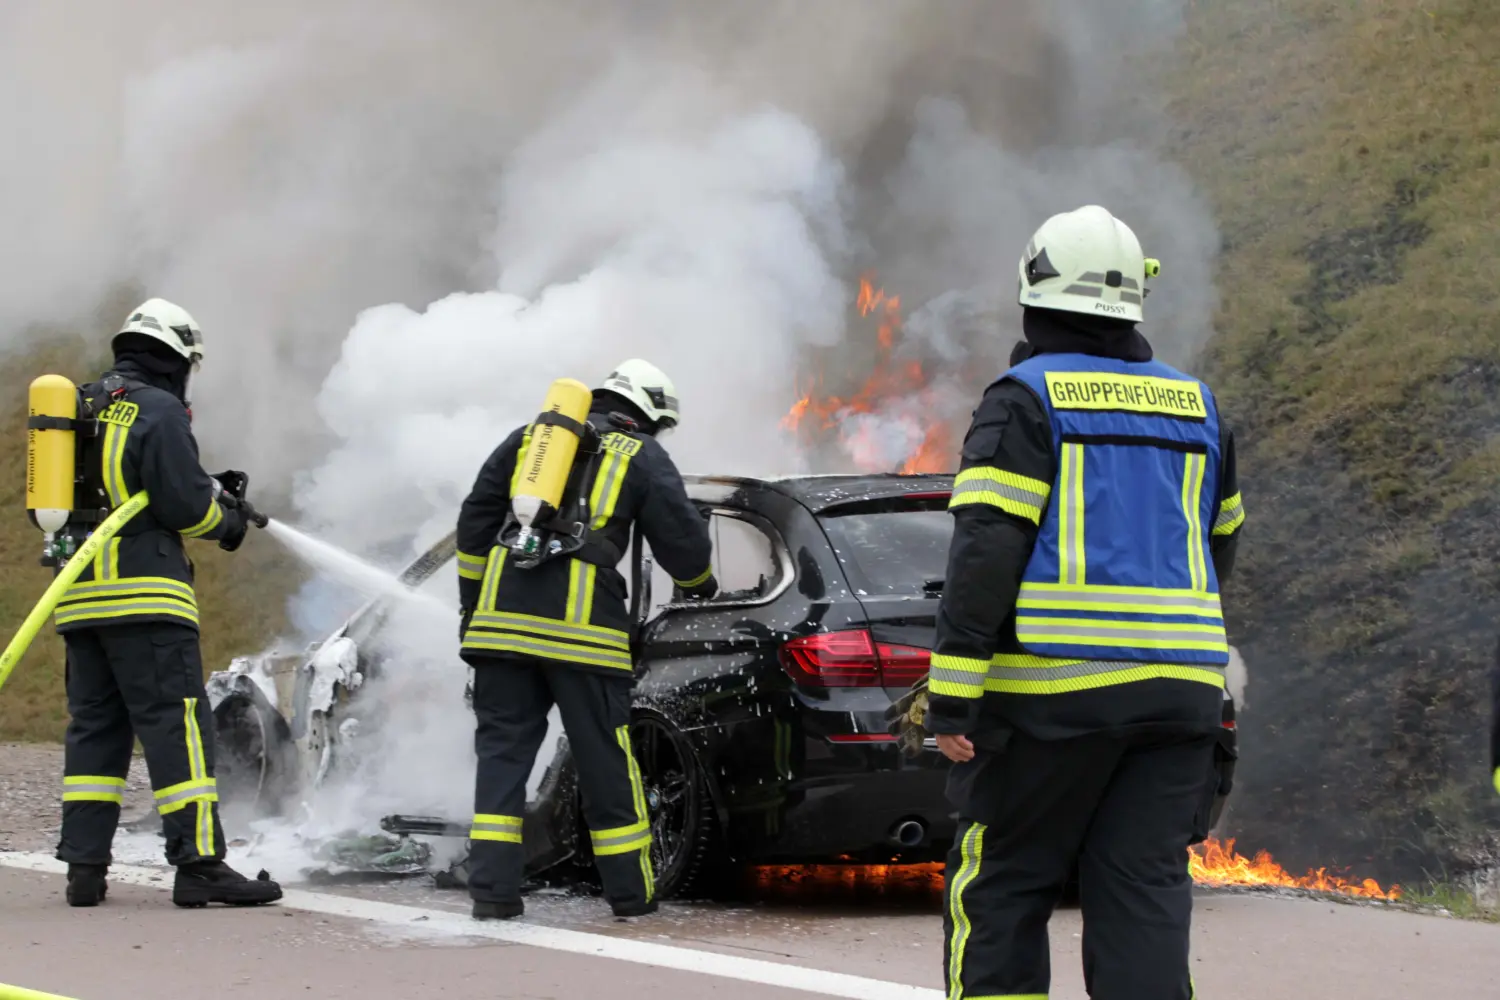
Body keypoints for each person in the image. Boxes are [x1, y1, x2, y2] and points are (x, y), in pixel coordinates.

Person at [924, 206, 1244, 999]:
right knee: (1143, 901)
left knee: (1001, 888)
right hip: (1182, 702)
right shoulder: (1199, 407)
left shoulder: (1024, 399)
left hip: (1049, 706)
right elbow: (1221, 543)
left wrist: (955, 694)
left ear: (1032, 291)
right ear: (1137, 298)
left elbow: (987, 549)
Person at [456, 358, 716, 920]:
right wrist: (700, 585)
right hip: (583, 638)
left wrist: (471, 609)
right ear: (649, 414)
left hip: (500, 628)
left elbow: (475, 527)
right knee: (605, 760)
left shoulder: (527, 442)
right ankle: (630, 894)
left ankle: (493, 894)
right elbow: (685, 546)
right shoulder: (641, 455)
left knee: (501, 759)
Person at [55, 298, 283, 909]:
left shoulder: (77, 404)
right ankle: (200, 863)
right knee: (178, 728)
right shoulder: (158, 410)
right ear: (176, 357)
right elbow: (185, 505)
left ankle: (83, 868)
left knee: (96, 732)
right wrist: (229, 521)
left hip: (79, 599)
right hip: (147, 600)